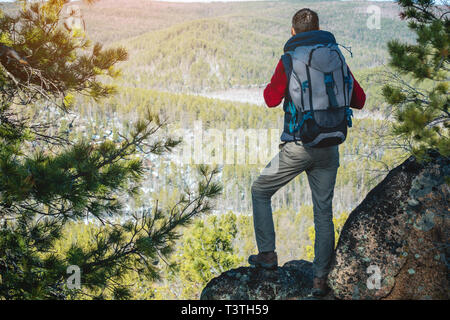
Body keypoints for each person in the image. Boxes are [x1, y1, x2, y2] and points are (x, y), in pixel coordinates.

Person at [248, 8, 366, 297]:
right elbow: (359, 100)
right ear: (318, 28)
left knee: (260, 191)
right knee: (323, 214)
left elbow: (269, 99)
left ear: (293, 32)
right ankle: (319, 280)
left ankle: (267, 256)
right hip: (330, 148)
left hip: (298, 148)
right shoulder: (336, 56)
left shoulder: (289, 59)